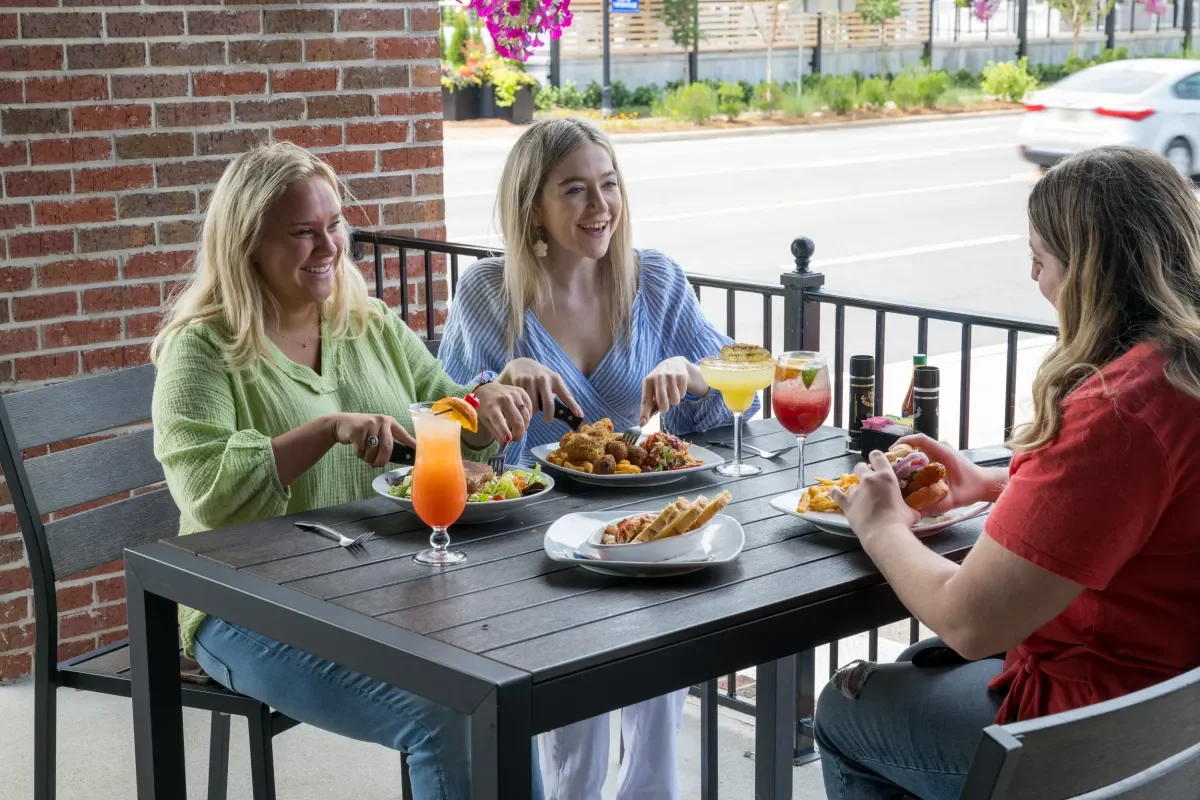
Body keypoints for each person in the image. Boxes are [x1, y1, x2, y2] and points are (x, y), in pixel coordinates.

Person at [151, 141, 543, 800]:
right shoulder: (202, 349)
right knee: (446, 717)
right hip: (242, 610)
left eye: (333, 225)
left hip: (370, 586)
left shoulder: (370, 324)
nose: (328, 245)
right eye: (303, 232)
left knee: (510, 685)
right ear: (247, 244)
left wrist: (486, 402)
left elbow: (443, 415)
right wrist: (323, 431)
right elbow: (205, 491)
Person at [812, 145, 1200, 800]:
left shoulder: (1120, 409)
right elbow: (1141, 516)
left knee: (847, 707)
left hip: (1096, 732)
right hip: (1172, 713)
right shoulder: (1179, 372)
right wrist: (992, 486)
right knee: (913, 669)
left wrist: (879, 526)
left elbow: (969, 623)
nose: (1033, 276)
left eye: (1041, 258)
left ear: (1088, 271)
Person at [439, 117, 760, 800]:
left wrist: (694, 372)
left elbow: (748, 385)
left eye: (608, 185)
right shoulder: (487, 293)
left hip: (643, 533)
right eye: (576, 190)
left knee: (657, 697)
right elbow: (443, 426)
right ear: (533, 206)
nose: (600, 207)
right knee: (574, 736)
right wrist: (492, 388)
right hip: (532, 543)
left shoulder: (658, 282)